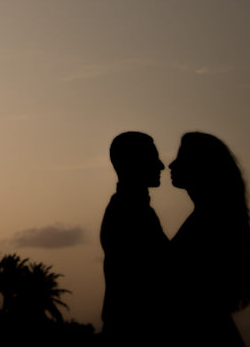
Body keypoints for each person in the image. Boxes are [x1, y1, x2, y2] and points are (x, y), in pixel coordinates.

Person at [169, 132, 250, 346]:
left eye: (181, 158)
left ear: (201, 166)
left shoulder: (209, 222)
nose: (171, 165)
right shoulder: (211, 218)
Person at [100, 131, 169, 344]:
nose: (161, 166)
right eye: (153, 158)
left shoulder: (134, 209)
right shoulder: (130, 212)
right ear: (134, 163)